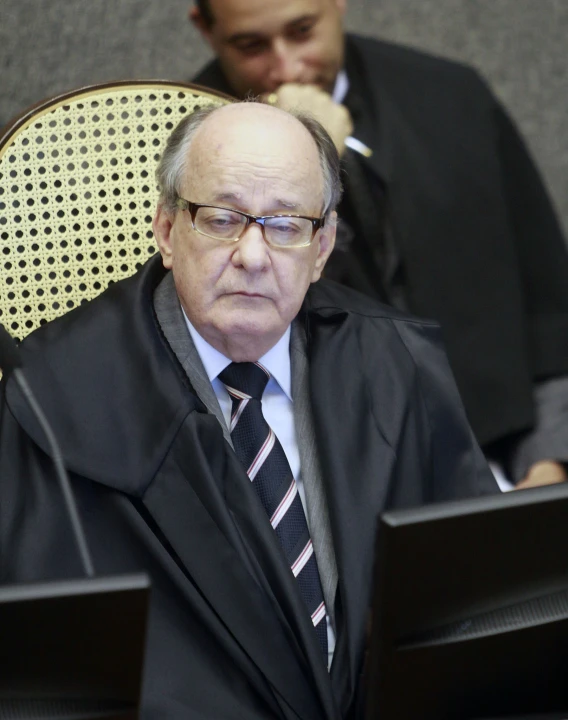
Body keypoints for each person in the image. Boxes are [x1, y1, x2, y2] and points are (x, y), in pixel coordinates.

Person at [0, 102, 497, 718]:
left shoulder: (397, 364)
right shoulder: (51, 404)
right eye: (223, 218)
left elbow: (487, 606)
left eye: (286, 225)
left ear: (322, 249)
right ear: (166, 231)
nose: (254, 256)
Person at [189, 0, 568, 489]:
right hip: (324, 489)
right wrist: (309, 155)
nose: (285, 66)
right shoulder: (186, 147)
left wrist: (549, 464)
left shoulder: (452, 97)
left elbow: (550, 314)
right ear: (206, 29)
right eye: (251, 45)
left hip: (506, 458)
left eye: (303, 31)